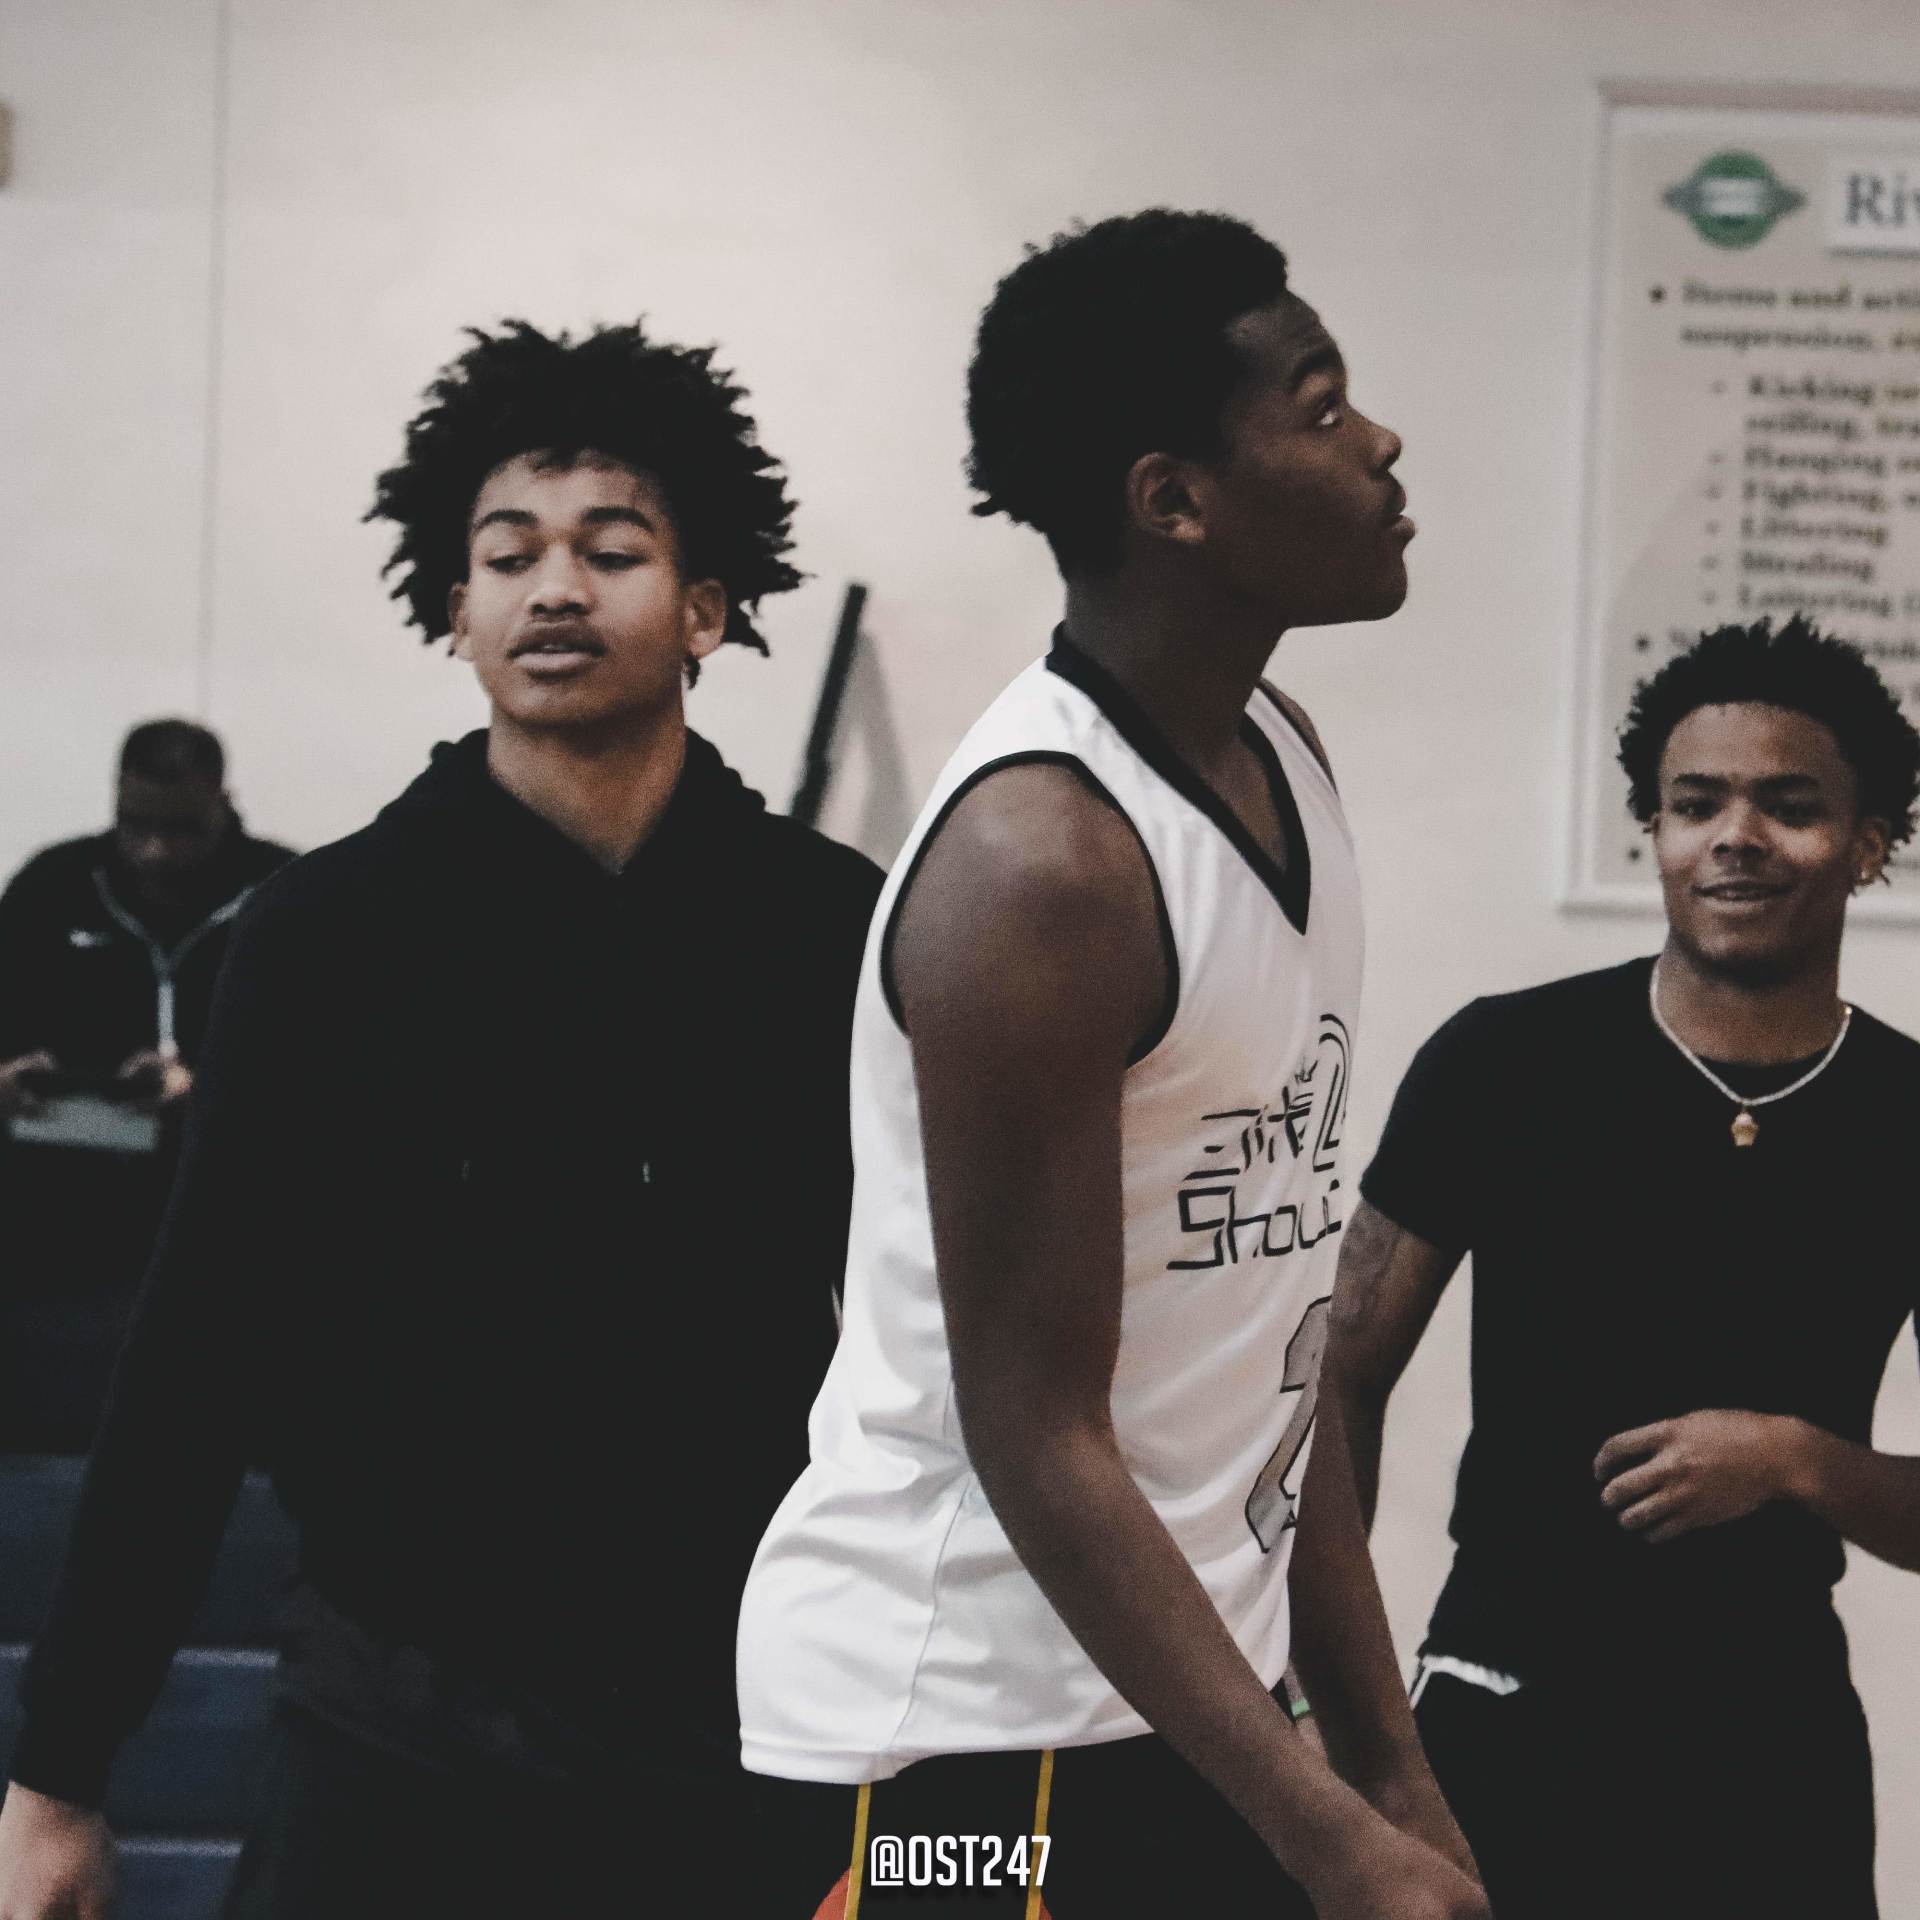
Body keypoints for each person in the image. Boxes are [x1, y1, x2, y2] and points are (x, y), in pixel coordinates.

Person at [0, 319, 883, 1918]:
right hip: (396, 1728)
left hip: (747, 1729)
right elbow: (196, 1352)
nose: (556, 588)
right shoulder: (328, 933)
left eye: (611, 550)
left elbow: (931, 1348)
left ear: (704, 606)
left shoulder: (831, 927)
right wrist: (60, 1770)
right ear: (455, 606)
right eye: (510, 554)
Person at [737, 210, 1484, 1919]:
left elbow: (1281, 1355)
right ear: (1174, 499)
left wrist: (1386, 1767)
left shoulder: (1282, 755)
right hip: (957, 1736)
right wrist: (1327, 1831)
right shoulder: (1043, 867)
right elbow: (1035, 1430)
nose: (1379, 444)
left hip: (1181, 1710)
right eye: (1321, 407)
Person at [1325, 615, 1920, 1919]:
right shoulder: (1504, 1064)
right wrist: (1336, 1710)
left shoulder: (1905, 1115)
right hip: (1502, 1718)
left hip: (1775, 1752)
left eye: (1791, 806)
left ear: (1870, 844)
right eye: (1695, 804)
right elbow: (1335, 1383)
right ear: (1654, 830)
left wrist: (1796, 1458)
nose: (1736, 838)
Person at [0, 721, 292, 1450]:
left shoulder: (284, 892)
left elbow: (332, 1056)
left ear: (223, 801)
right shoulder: (56, 882)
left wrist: (210, 1089)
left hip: (231, 1193)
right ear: (115, 800)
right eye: (136, 825)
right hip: (62, 1190)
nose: (155, 850)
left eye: (182, 829)